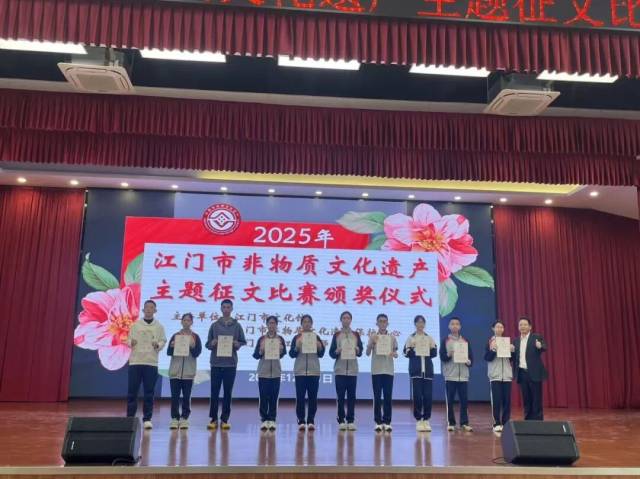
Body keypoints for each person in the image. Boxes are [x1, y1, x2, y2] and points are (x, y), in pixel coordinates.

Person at [206, 299, 247, 430]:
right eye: (224, 307)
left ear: (232, 309)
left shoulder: (237, 325)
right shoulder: (214, 325)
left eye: (228, 307)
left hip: (230, 364)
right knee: (214, 392)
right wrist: (212, 343)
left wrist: (237, 344)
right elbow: (207, 344)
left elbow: (243, 341)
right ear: (221, 309)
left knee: (228, 393)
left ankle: (225, 419)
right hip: (216, 363)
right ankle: (213, 419)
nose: (226, 309)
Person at [126, 299, 167, 429]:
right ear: (143, 310)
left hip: (151, 363)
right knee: (132, 391)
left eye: (151, 307)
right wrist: (131, 342)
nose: (149, 309)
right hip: (136, 362)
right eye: (147, 307)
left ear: (155, 310)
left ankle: (147, 419)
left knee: (149, 392)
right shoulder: (135, 325)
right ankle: (130, 417)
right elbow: (128, 339)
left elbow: (163, 341)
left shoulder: (159, 326)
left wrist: (158, 345)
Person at [289, 314, 326, 431]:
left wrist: (320, 347)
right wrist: (296, 347)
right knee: (300, 397)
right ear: (301, 324)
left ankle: (311, 420)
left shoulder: (316, 337)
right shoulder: (297, 337)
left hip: (314, 372)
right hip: (300, 372)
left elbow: (321, 354)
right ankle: (301, 420)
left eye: (309, 321)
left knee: (312, 397)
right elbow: (291, 354)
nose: (307, 324)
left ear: (312, 324)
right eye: (304, 321)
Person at [166, 313, 202, 430]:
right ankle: (175, 418)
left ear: (192, 322)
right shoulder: (175, 335)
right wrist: (172, 346)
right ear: (181, 322)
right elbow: (168, 352)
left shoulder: (195, 337)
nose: (186, 322)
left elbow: (197, 353)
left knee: (186, 396)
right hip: (175, 372)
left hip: (188, 372)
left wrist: (192, 346)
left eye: (188, 320)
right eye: (184, 320)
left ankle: (185, 418)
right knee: (174, 397)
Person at [329, 311, 363, 431]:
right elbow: (331, 353)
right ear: (341, 320)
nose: (346, 320)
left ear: (351, 320)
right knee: (340, 397)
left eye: (348, 318)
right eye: (344, 318)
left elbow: (360, 352)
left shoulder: (356, 335)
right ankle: (341, 420)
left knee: (352, 397)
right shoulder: (337, 335)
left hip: (352, 370)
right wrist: (336, 352)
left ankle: (351, 420)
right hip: (340, 370)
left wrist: (357, 350)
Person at [404, 315, 438, 432]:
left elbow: (434, 352)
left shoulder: (429, 338)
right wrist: (414, 349)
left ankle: (426, 419)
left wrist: (428, 350)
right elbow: (406, 353)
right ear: (415, 324)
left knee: (428, 396)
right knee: (417, 396)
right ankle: (419, 420)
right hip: (416, 371)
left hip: (427, 371)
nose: (420, 324)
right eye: (418, 322)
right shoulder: (411, 338)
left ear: (424, 324)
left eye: (422, 322)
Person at [252, 315, 287, 430]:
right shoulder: (262, 339)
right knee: (263, 397)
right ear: (266, 325)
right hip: (263, 372)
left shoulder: (280, 339)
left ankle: (272, 419)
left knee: (274, 397)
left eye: (274, 323)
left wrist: (281, 351)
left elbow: (283, 354)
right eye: (270, 323)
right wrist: (260, 350)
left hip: (276, 372)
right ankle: (264, 419)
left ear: (276, 325)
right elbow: (255, 355)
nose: (272, 325)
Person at [440, 317, 473, 432]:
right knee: (450, 400)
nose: (455, 326)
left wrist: (468, 361)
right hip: (450, 375)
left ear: (460, 326)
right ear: (449, 326)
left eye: (457, 324)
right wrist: (449, 354)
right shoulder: (445, 340)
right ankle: (451, 423)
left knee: (464, 401)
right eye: (452, 324)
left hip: (463, 376)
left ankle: (464, 423)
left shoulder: (465, 341)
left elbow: (471, 358)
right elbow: (442, 357)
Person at [366, 313, 398, 432]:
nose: (383, 323)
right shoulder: (373, 336)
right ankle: (378, 422)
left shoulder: (392, 338)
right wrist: (372, 343)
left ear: (387, 323)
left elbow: (396, 353)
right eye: (380, 321)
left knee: (388, 396)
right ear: (377, 323)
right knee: (377, 396)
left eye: (385, 321)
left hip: (389, 370)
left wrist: (394, 354)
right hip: (376, 370)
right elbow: (367, 353)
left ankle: (387, 421)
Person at [512, 316, 547, 420]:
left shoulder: (536, 337)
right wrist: (511, 351)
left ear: (530, 327)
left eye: (525, 324)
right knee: (526, 398)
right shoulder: (516, 341)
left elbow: (544, 347)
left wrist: (540, 346)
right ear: (518, 327)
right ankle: (527, 420)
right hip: (522, 373)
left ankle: (538, 421)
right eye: (520, 325)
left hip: (534, 373)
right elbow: (513, 358)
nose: (522, 326)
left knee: (536, 399)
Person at [484, 320, 515, 432]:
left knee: (507, 401)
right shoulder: (490, 342)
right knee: (496, 400)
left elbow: (511, 359)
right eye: (497, 327)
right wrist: (493, 350)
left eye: (501, 327)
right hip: (495, 375)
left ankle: (506, 422)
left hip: (506, 375)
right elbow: (487, 358)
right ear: (493, 328)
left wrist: (512, 351)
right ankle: (496, 423)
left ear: (503, 329)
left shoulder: (507, 342)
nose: (499, 329)